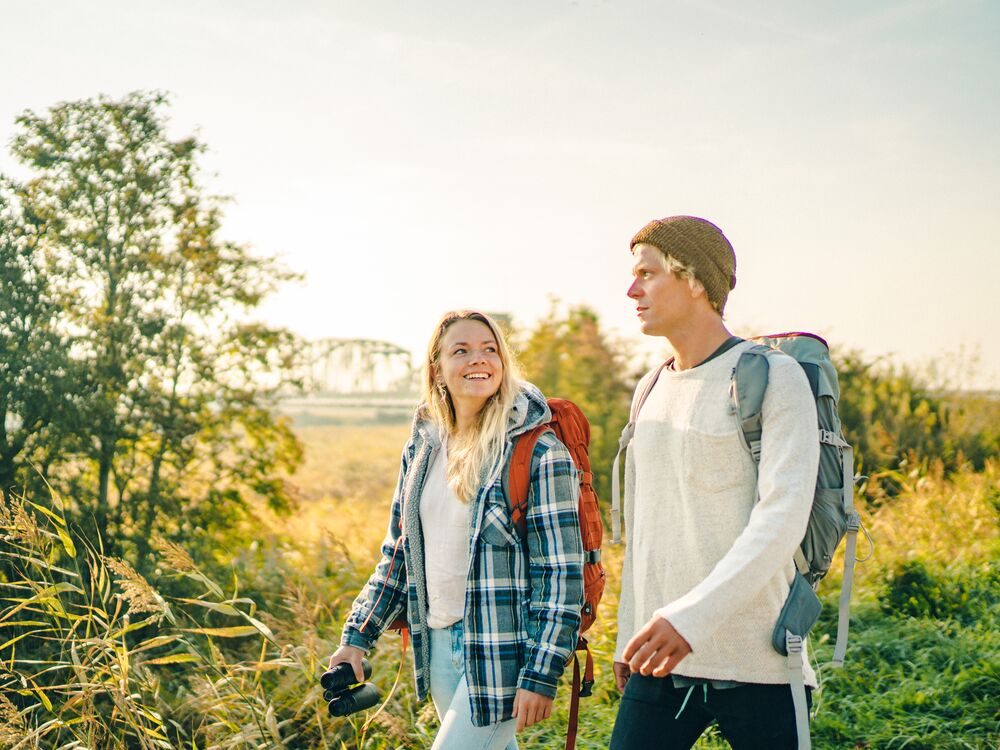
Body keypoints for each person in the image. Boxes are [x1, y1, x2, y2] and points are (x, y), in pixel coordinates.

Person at [328, 310, 584, 750]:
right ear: (437, 368)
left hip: (502, 653)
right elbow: (399, 557)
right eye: (460, 351)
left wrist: (542, 672)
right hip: (439, 643)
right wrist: (356, 638)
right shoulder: (424, 447)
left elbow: (561, 574)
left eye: (489, 349)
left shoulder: (537, 451)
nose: (477, 360)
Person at [610, 216, 821, 749]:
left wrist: (690, 620)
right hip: (660, 660)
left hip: (761, 662)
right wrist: (628, 632)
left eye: (648, 273)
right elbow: (646, 528)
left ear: (697, 279)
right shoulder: (649, 388)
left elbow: (782, 519)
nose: (631, 289)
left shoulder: (772, 376)